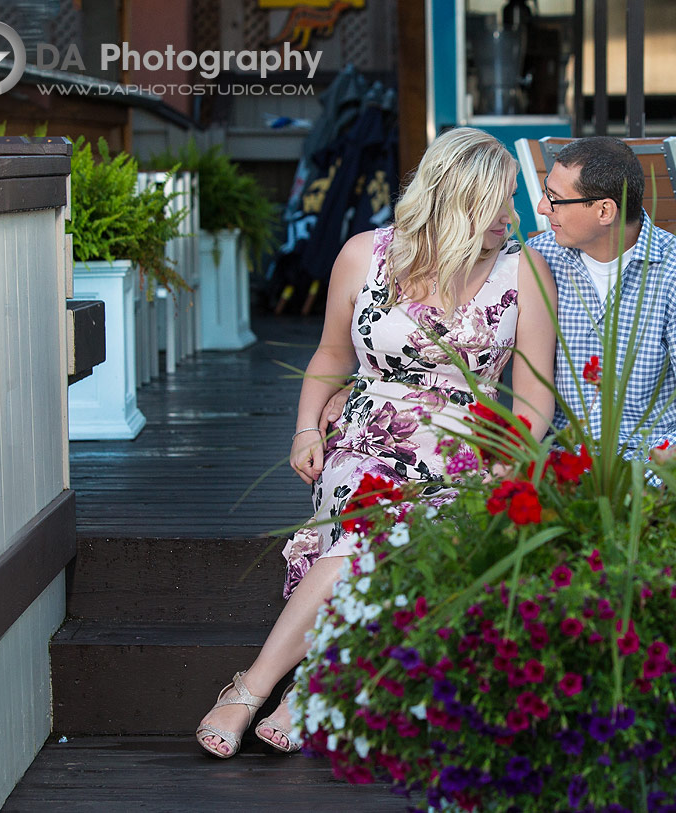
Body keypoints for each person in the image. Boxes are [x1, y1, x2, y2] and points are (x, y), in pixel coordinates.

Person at [195, 128, 557, 758]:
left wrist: (511, 464)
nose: (513, 216)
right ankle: (289, 690)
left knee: (406, 536)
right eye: (498, 202)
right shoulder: (366, 255)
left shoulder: (524, 271)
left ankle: (257, 687)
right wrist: (307, 426)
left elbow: (533, 393)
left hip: (467, 450)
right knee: (371, 525)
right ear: (456, 202)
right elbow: (333, 353)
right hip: (368, 437)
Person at [527, 137, 676, 519]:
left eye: (555, 199)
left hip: (652, 457)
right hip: (562, 458)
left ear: (605, 211)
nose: (543, 208)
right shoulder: (539, 262)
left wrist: (651, 470)